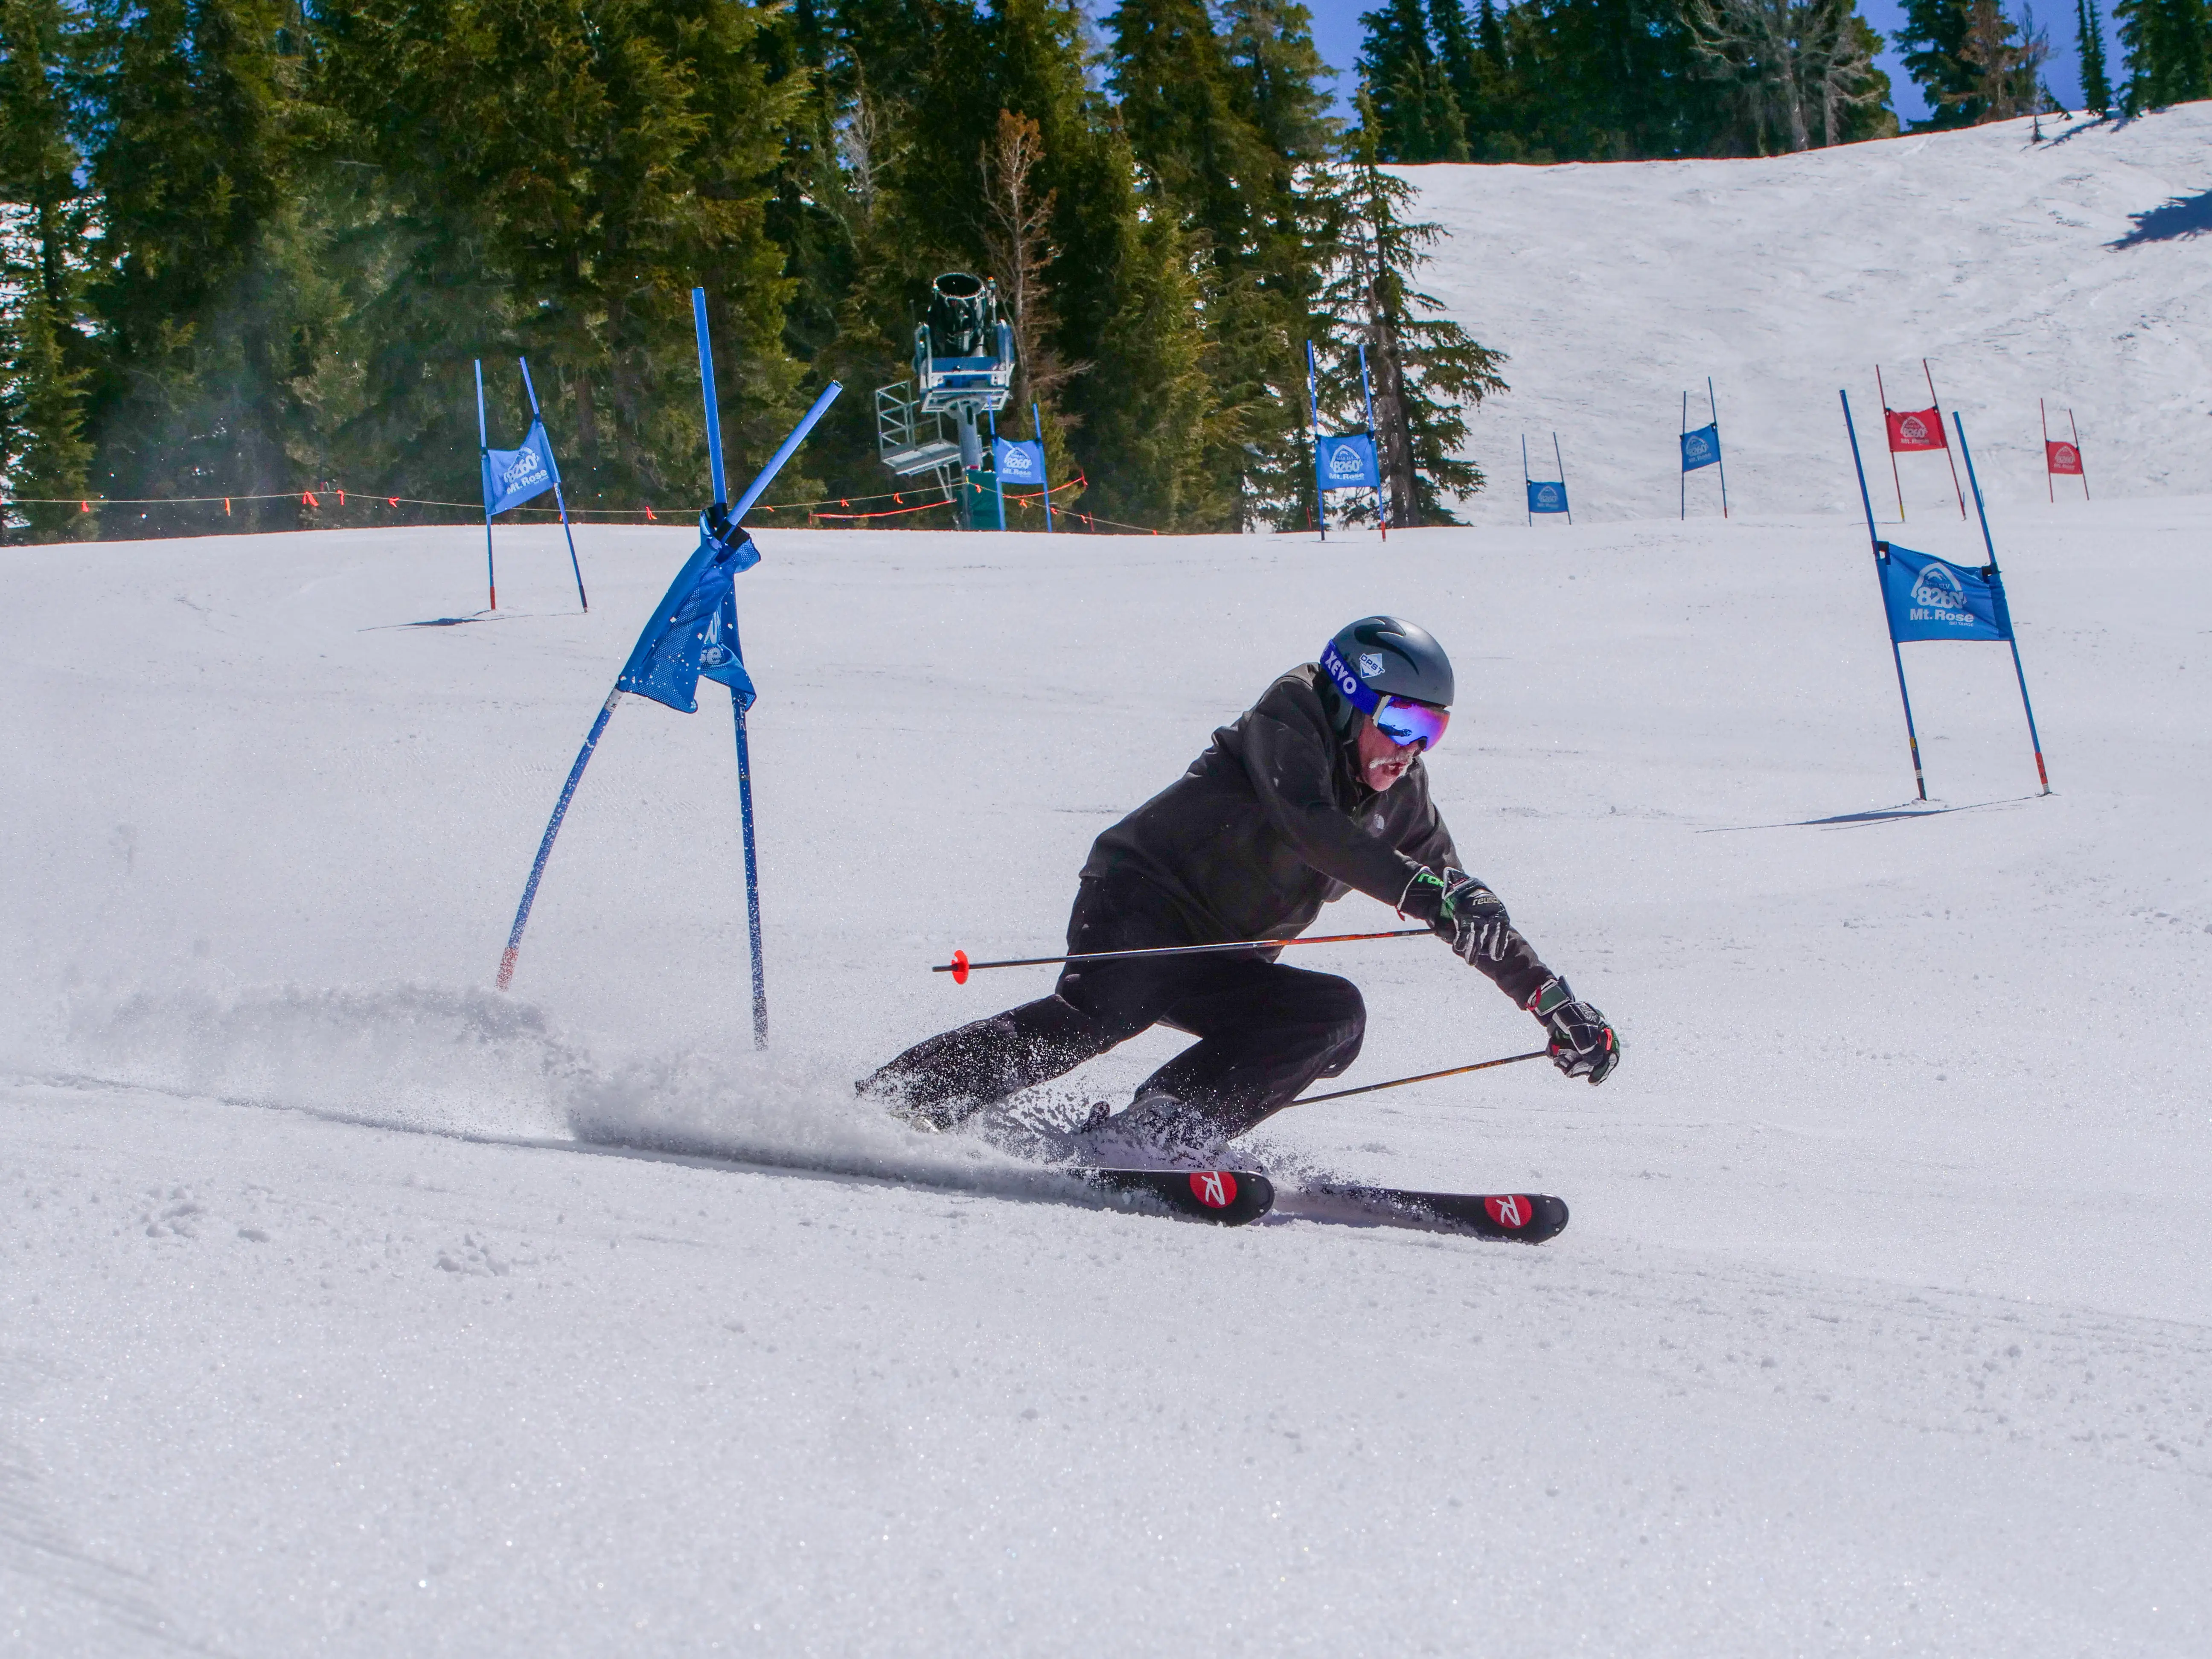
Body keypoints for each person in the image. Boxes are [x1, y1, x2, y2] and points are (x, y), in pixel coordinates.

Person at [858, 616, 1620, 1166]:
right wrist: (1424, 893)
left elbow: (1461, 907)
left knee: (1331, 1017)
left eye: (1434, 732)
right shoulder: (1290, 716)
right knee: (1101, 1016)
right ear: (1353, 699)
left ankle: (1154, 1134)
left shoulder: (1401, 794)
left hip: (1227, 956)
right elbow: (1313, 829)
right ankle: (889, 1103)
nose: (1411, 749)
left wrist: (1553, 1002)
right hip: (1145, 903)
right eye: (1402, 722)